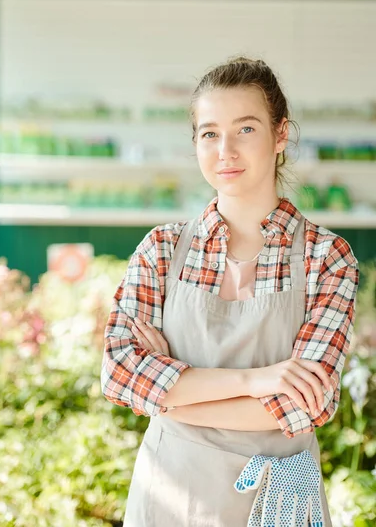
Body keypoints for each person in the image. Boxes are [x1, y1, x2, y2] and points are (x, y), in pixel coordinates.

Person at [101, 55, 359, 526]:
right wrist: (255, 380)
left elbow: (304, 405)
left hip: (277, 503)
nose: (226, 151)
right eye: (209, 133)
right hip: (168, 499)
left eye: (245, 129)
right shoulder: (161, 249)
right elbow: (120, 375)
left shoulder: (326, 257)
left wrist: (170, 393)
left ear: (280, 135)